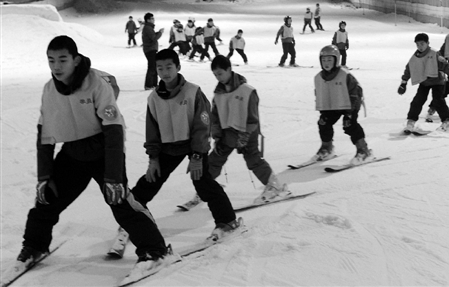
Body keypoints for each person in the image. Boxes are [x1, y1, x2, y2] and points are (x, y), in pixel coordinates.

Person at [13, 35, 175, 277]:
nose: (56, 66)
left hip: (103, 150)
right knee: (47, 199)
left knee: (120, 201)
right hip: (74, 152)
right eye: (51, 60)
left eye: (62, 60)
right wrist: (44, 175)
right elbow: (45, 134)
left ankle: (156, 252)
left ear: (76, 60)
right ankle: (34, 247)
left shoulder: (96, 83)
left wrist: (113, 177)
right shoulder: (50, 89)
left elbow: (113, 131)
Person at [128, 48, 241, 240]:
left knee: (203, 182)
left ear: (178, 67)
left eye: (169, 67)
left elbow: (202, 126)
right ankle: (131, 220)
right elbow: (152, 130)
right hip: (168, 147)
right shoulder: (154, 98)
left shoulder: (193, 92)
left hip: (192, 145)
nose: (165, 72)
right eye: (160, 68)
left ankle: (227, 221)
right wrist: (153, 159)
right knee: (149, 182)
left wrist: (197, 155)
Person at [183, 55, 291, 208]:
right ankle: (206, 189)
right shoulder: (218, 94)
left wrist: (245, 135)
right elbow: (215, 118)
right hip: (227, 134)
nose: (218, 78)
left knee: (253, 160)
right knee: (214, 160)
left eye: (220, 73)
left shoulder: (247, 91)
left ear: (229, 69)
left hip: (247, 132)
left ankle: (275, 187)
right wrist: (218, 135)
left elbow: (253, 118)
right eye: (215, 74)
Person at [312, 45, 370, 165]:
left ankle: (363, 150)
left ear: (336, 60)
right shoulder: (319, 77)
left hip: (350, 105)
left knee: (349, 125)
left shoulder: (345, 75)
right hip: (333, 105)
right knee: (324, 122)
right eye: (323, 60)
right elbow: (320, 93)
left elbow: (355, 93)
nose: (326, 63)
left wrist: (350, 112)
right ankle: (327, 148)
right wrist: (323, 111)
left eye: (329, 60)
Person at [398, 33, 449, 132]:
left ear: (428, 43)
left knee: (438, 101)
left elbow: (445, 66)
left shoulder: (435, 53)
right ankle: (411, 121)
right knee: (417, 101)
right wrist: (403, 83)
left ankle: (448, 121)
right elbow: (409, 69)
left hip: (438, 81)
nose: (420, 47)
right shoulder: (415, 57)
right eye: (417, 44)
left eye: (422, 44)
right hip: (424, 82)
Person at [142, 12, 164, 90]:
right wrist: (160, 33)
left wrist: (158, 32)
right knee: (152, 67)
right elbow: (153, 38)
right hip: (150, 49)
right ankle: (149, 85)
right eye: (152, 18)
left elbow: (153, 36)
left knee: (154, 66)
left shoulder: (149, 28)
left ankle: (154, 84)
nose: (153, 20)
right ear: (148, 20)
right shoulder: (148, 28)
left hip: (151, 49)